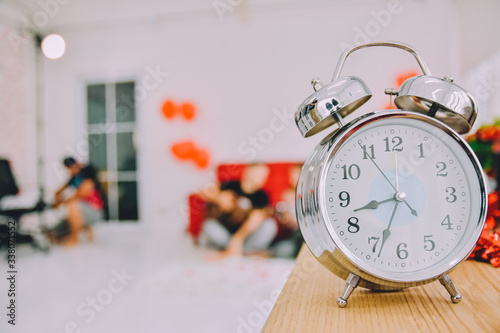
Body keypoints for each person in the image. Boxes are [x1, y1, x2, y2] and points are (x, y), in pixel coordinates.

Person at [200, 164, 277, 259]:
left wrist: (238, 239)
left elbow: (255, 219)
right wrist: (218, 197)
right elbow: (203, 192)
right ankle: (245, 254)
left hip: (245, 237)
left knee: (269, 225)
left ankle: (230, 252)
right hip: (225, 234)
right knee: (209, 225)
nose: (262, 179)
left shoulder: (262, 195)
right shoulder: (230, 185)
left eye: (264, 176)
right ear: (248, 172)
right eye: (259, 175)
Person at [53, 157, 104, 246]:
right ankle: (84, 229)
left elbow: (82, 193)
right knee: (54, 234)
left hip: (95, 210)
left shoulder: (87, 172)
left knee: (73, 205)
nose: (70, 171)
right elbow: (58, 191)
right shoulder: (74, 178)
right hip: (84, 209)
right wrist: (57, 199)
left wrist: (63, 202)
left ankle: (74, 238)